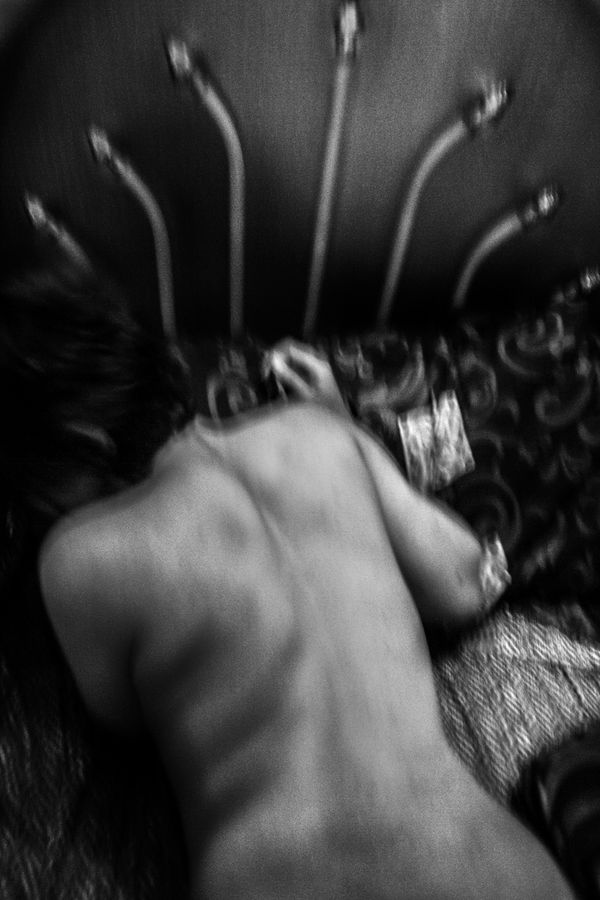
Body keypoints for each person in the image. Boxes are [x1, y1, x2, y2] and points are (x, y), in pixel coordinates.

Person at [0, 264, 574, 898]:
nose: (34, 506)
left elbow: (124, 719)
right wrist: (349, 433)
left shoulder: (79, 557)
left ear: (82, 442)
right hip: (487, 864)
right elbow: (464, 583)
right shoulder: (319, 433)